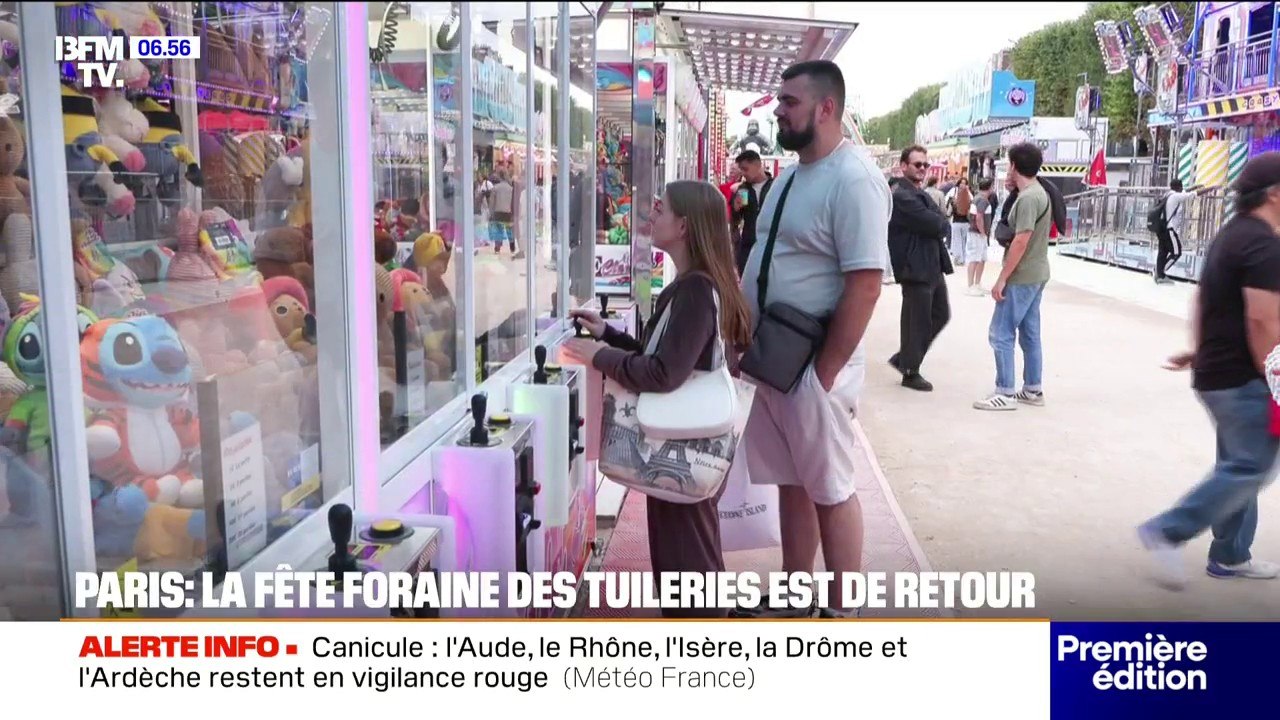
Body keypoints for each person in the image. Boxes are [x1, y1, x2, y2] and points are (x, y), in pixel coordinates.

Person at [738, 60, 890, 617]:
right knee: (791, 483)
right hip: (775, 360)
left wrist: (824, 373)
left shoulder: (855, 180)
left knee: (829, 487)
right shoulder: (791, 176)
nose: (778, 109)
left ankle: (841, 610)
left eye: (789, 101)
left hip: (812, 364)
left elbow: (866, 284)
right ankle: (797, 594)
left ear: (825, 108)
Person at [561, 179, 752, 618]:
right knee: (687, 551)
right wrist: (607, 334)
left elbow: (663, 373)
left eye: (660, 209)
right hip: (687, 434)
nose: (652, 215)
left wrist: (602, 356)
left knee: (686, 558)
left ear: (683, 226)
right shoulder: (697, 286)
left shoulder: (694, 291)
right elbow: (662, 356)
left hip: (681, 439)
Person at [1139, 152, 1280, 588]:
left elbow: (1200, 299)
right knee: (1250, 466)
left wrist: (1199, 351)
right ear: (1275, 195)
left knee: (1238, 462)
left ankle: (1231, 554)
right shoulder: (1263, 244)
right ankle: (1167, 530)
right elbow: (1263, 320)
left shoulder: (1232, 235)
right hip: (1244, 377)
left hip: (1219, 374)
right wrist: (1274, 376)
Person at [974, 142, 1052, 411]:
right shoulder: (1036, 193)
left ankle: (1005, 390)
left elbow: (1020, 240)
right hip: (1037, 272)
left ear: (1015, 165)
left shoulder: (1029, 198)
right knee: (1030, 333)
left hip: (1021, 275)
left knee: (1001, 332)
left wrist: (1002, 278)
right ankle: (1032, 388)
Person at [888, 145, 952, 392]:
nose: (923, 169)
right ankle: (910, 370)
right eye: (918, 164)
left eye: (925, 165)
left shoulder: (916, 193)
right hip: (915, 267)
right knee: (917, 319)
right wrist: (939, 221)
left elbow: (939, 221)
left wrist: (939, 221)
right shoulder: (902, 195)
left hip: (930, 265)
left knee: (939, 315)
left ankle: (906, 360)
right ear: (903, 166)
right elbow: (936, 223)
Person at [1154, 178, 1210, 284]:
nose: (1182, 189)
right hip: (1169, 230)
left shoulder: (1168, 194)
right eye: (1181, 187)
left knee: (1163, 251)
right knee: (1176, 252)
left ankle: (1159, 273)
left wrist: (1194, 187)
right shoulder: (1176, 196)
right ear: (1178, 187)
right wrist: (1211, 188)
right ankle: (1159, 272)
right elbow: (1193, 194)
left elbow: (1185, 192)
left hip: (1161, 228)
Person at [730, 149, 775, 276]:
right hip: (748, 246)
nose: (744, 174)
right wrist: (735, 207)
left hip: (771, 245)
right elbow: (736, 218)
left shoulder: (775, 186)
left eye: (745, 169)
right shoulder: (744, 190)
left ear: (758, 165)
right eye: (741, 170)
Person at [965, 178, 996, 296]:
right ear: (990, 187)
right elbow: (979, 217)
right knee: (975, 258)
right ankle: (971, 285)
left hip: (977, 233)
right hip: (977, 233)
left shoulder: (977, 198)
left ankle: (976, 283)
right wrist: (983, 232)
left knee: (981, 258)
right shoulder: (983, 201)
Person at [945, 177, 972, 264]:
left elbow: (947, 205)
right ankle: (962, 259)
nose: (963, 185)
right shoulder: (969, 194)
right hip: (966, 221)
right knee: (964, 241)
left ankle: (958, 259)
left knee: (957, 241)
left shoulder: (953, 193)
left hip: (956, 221)